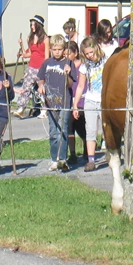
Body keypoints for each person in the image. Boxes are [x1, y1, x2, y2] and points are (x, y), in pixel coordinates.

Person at [72, 36, 107, 172]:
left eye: (91, 52)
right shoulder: (84, 66)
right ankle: (91, 160)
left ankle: (112, 154)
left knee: (107, 129)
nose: (89, 56)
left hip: (104, 101)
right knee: (90, 131)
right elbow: (81, 86)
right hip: (90, 100)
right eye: (86, 54)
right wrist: (75, 105)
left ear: (96, 49)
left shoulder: (106, 60)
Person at [39, 35, 72, 171]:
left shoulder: (68, 63)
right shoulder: (47, 63)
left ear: (64, 49)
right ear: (51, 49)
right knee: (53, 132)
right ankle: (54, 158)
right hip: (51, 103)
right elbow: (40, 78)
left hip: (64, 102)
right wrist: (41, 86)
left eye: (59, 49)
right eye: (54, 49)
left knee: (63, 131)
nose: (57, 52)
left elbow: (70, 84)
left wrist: (67, 74)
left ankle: (62, 159)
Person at [16, 15, 47, 117]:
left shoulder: (45, 39)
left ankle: (44, 110)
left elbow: (46, 56)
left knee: (42, 89)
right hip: (31, 67)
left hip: (41, 68)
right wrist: (21, 46)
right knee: (26, 87)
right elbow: (28, 54)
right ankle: (21, 108)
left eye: (34, 24)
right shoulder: (30, 38)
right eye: (31, 25)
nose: (32, 27)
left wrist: (45, 69)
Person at [65, 40, 83, 166]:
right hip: (69, 101)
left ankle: (88, 151)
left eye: (69, 54)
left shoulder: (82, 67)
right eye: (65, 54)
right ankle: (72, 153)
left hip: (82, 101)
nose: (66, 56)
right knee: (69, 128)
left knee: (83, 129)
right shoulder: (66, 67)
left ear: (76, 53)